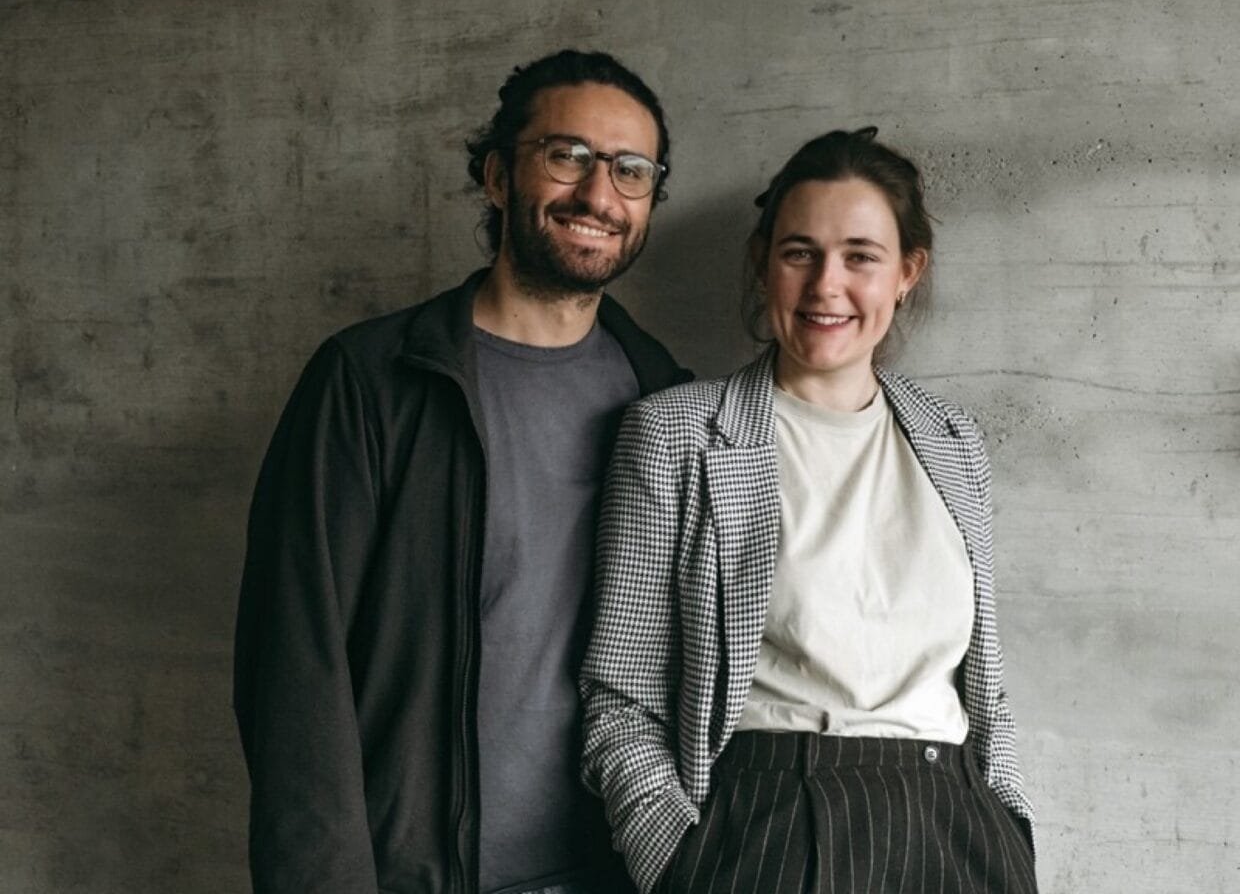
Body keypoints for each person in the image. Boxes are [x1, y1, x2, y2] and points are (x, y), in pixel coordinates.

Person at [234, 49, 690, 894]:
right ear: (495, 176)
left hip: (619, 873)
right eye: (567, 157)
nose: (598, 195)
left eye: (631, 172)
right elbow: (293, 669)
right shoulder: (372, 381)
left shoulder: (670, 404)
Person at [580, 127, 1038, 894]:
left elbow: (984, 686)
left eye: (861, 255)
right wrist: (683, 868)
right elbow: (620, 695)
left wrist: (1009, 821)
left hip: (960, 832)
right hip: (772, 828)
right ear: (764, 266)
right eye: (800, 252)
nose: (828, 285)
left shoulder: (954, 441)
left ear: (906, 273)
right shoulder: (674, 435)